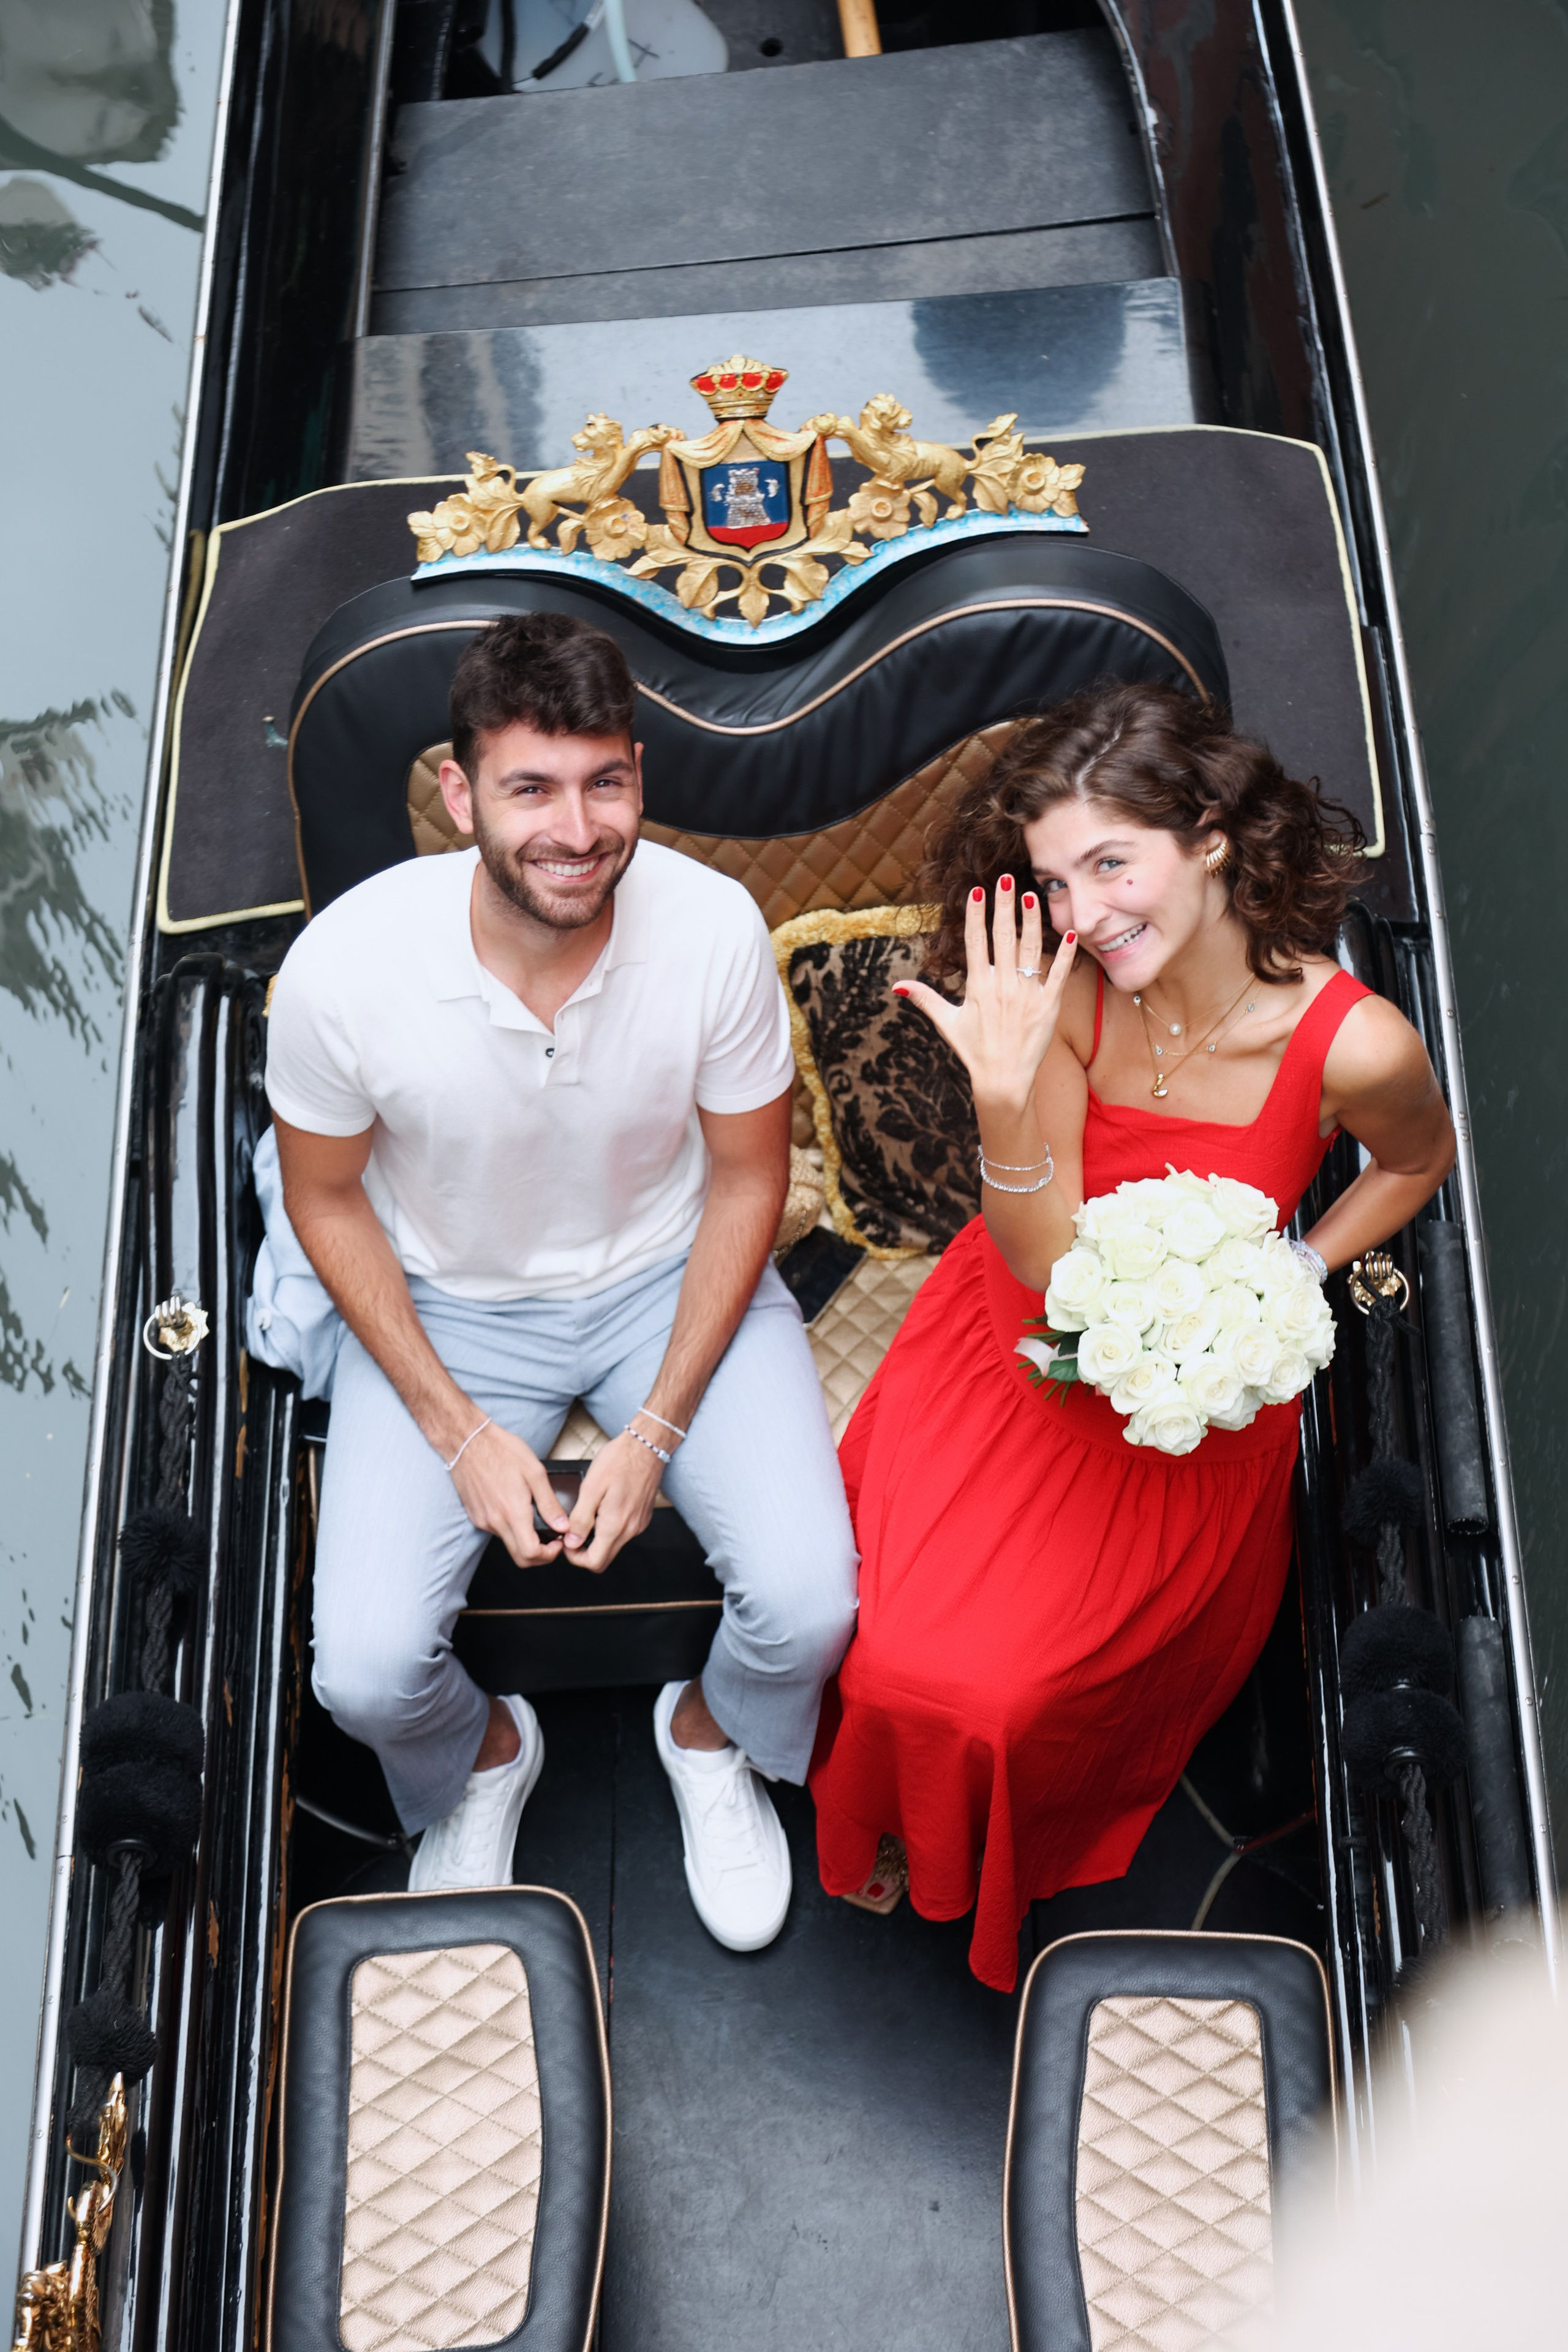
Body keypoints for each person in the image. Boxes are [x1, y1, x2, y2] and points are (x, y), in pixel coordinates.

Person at [809, 680, 1456, 1991]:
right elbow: (1042, 1271)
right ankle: (893, 1815)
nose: (1086, 916)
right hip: (1013, 1344)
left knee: (1001, 1698)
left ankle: (1014, 1834)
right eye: (1056, 882)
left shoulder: (1356, 1044)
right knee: (881, 1654)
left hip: (1187, 1410)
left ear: (1208, 837)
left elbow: (1413, 1165)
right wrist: (1004, 1093)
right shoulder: (1067, 997)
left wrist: (1284, 1274)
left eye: (1112, 864)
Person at [265, 611, 856, 1951]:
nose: (575, 830)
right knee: (361, 1671)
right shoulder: (343, 973)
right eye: (530, 788)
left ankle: (708, 1733)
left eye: (604, 783)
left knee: (811, 1602)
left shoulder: (711, 930)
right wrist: (455, 1428)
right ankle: (481, 1753)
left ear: (639, 775)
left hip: (667, 1272)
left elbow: (750, 1183)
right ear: (459, 791)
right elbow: (323, 1198)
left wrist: (653, 1428)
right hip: (452, 1304)